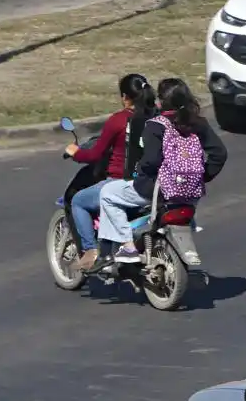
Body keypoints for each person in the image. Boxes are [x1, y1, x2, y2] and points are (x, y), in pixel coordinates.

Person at [92, 78, 227, 268]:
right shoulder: (198, 123)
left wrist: (140, 171)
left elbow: (152, 161)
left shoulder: (156, 125)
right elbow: (219, 154)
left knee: (108, 193)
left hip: (156, 189)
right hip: (191, 191)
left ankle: (128, 247)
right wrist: (201, 177)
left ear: (161, 101)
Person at [63, 74, 156, 271]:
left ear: (125, 97)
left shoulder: (118, 121)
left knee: (78, 201)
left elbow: (96, 154)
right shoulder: (157, 118)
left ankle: (91, 251)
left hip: (120, 183)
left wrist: (76, 152)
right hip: (152, 182)